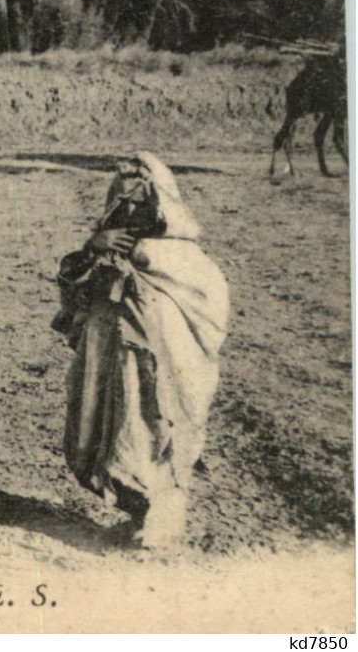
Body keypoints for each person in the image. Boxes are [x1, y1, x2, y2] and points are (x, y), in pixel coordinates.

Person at [52, 153, 230, 551]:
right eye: (123, 198)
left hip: (158, 365)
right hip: (109, 358)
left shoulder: (183, 255)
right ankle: (138, 511)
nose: (131, 207)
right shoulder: (106, 243)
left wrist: (140, 261)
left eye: (139, 199)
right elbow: (72, 289)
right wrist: (94, 247)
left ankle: (162, 520)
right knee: (108, 431)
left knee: (153, 427)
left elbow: (208, 305)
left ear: (159, 200)